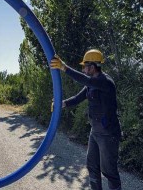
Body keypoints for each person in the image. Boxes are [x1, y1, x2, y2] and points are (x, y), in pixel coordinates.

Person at [50, 49, 122, 190]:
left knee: (109, 172)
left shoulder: (105, 82)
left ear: (93, 66)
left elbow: (86, 80)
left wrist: (64, 67)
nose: (83, 69)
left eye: (85, 66)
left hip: (108, 134)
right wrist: (61, 103)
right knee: (92, 167)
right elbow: (77, 98)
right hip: (95, 132)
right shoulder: (92, 83)